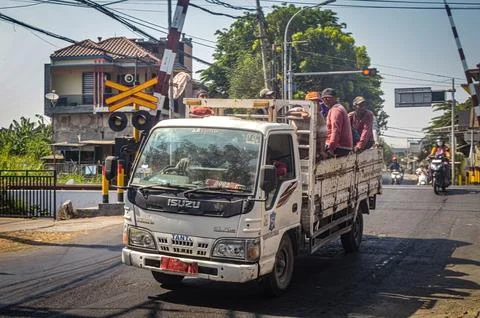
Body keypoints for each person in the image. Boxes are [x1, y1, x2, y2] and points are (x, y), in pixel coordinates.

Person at [286, 91, 327, 160]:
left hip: (312, 151)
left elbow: (323, 136)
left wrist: (322, 151)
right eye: (314, 102)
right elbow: (287, 113)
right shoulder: (299, 110)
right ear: (307, 103)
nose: (316, 104)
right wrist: (300, 114)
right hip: (297, 148)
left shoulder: (319, 117)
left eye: (317, 102)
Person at [322, 88, 353, 157]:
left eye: (329, 98)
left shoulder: (336, 110)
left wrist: (331, 149)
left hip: (339, 147)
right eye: (324, 98)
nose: (326, 100)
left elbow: (336, 131)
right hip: (340, 146)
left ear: (335, 98)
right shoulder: (336, 108)